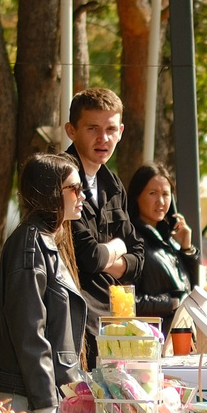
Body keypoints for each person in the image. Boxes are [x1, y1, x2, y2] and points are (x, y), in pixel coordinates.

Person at [0, 153, 88, 413]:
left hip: (33, 397)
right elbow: (30, 335)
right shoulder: (30, 246)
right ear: (51, 192)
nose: (82, 195)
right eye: (74, 188)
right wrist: (47, 408)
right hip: (24, 402)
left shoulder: (44, 241)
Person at [64, 87, 137, 324]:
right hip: (74, 319)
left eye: (110, 129)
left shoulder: (113, 184)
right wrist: (119, 245)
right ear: (71, 131)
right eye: (92, 128)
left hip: (113, 317)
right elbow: (90, 258)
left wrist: (106, 257)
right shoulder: (60, 179)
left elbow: (138, 258)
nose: (103, 138)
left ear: (121, 132)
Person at [123, 161, 201, 324]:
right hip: (151, 338)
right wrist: (173, 302)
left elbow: (195, 288)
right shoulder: (130, 239)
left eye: (166, 194)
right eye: (152, 193)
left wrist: (187, 249)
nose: (161, 201)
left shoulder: (170, 239)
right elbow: (126, 301)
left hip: (180, 334)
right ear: (137, 196)